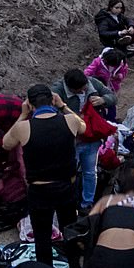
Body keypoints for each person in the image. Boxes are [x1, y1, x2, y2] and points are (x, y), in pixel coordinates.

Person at [3, 85, 86, 268]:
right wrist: (64, 106)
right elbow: (84, 126)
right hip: (67, 186)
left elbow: (6, 143)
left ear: (30, 105)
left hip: (40, 191)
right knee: (70, 231)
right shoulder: (70, 120)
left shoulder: (24, 127)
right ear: (52, 100)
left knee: (42, 236)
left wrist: (23, 115)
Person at [51, 70, 117, 210]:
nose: (84, 90)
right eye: (80, 89)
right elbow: (51, 114)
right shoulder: (57, 91)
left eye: (84, 87)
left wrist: (103, 100)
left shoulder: (91, 82)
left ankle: (87, 203)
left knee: (90, 172)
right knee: (69, 174)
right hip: (72, 141)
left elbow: (112, 96)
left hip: (92, 138)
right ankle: (70, 204)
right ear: (71, 88)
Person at [94, 0, 134, 64]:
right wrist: (119, 33)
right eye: (116, 8)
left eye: (120, 8)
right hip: (112, 40)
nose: (119, 10)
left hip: (123, 35)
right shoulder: (104, 19)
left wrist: (131, 27)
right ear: (111, 7)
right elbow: (103, 33)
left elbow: (128, 20)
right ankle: (123, 42)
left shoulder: (119, 15)